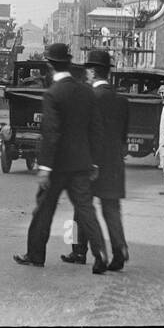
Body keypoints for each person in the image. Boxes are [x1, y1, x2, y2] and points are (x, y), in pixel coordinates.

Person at [14, 43, 108, 274]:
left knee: (44, 211)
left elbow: (51, 133)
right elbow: (96, 130)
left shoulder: (52, 94)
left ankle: (35, 255)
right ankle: (101, 253)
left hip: (56, 166)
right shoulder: (86, 91)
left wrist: (45, 167)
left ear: (49, 66)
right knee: (86, 210)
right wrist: (94, 162)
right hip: (81, 164)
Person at [66, 50, 129, 271]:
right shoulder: (122, 100)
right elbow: (123, 137)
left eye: (87, 71)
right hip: (114, 164)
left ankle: (77, 249)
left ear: (92, 71)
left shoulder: (88, 97)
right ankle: (120, 249)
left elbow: (83, 132)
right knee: (111, 208)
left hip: (90, 163)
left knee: (80, 206)